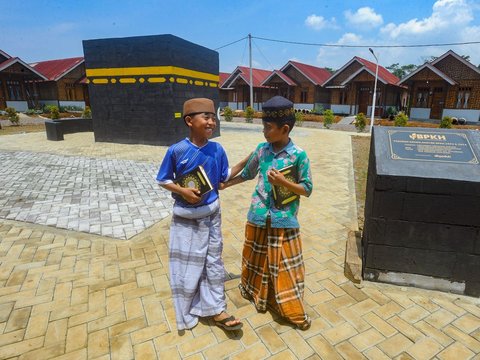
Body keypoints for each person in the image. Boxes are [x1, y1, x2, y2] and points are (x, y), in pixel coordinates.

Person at [221, 96, 313, 330]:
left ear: (284, 129)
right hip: (259, 215)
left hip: (284, 220)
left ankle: (291, 309)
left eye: (268, 128)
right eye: (263, 126)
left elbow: (307, 189)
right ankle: (259, 296)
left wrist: (284, 182)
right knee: (256, 260)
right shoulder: (262, 150)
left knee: (285, 266)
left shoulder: (298, 155)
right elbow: (247, 173)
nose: (264, 132)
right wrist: (225, 185)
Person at [156, 98, 247, 332]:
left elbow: (224, 176)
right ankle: (189, 304)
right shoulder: (176, 150)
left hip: (212, 214)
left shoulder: (217, 149)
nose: (211, 121)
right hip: (186, 218)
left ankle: (216, 308)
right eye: (205, 117)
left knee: (213, 262)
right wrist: (182, 191)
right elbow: (163, 180)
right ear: (189, 121)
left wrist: (251, 157)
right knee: (187, 265)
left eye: (213, 117)